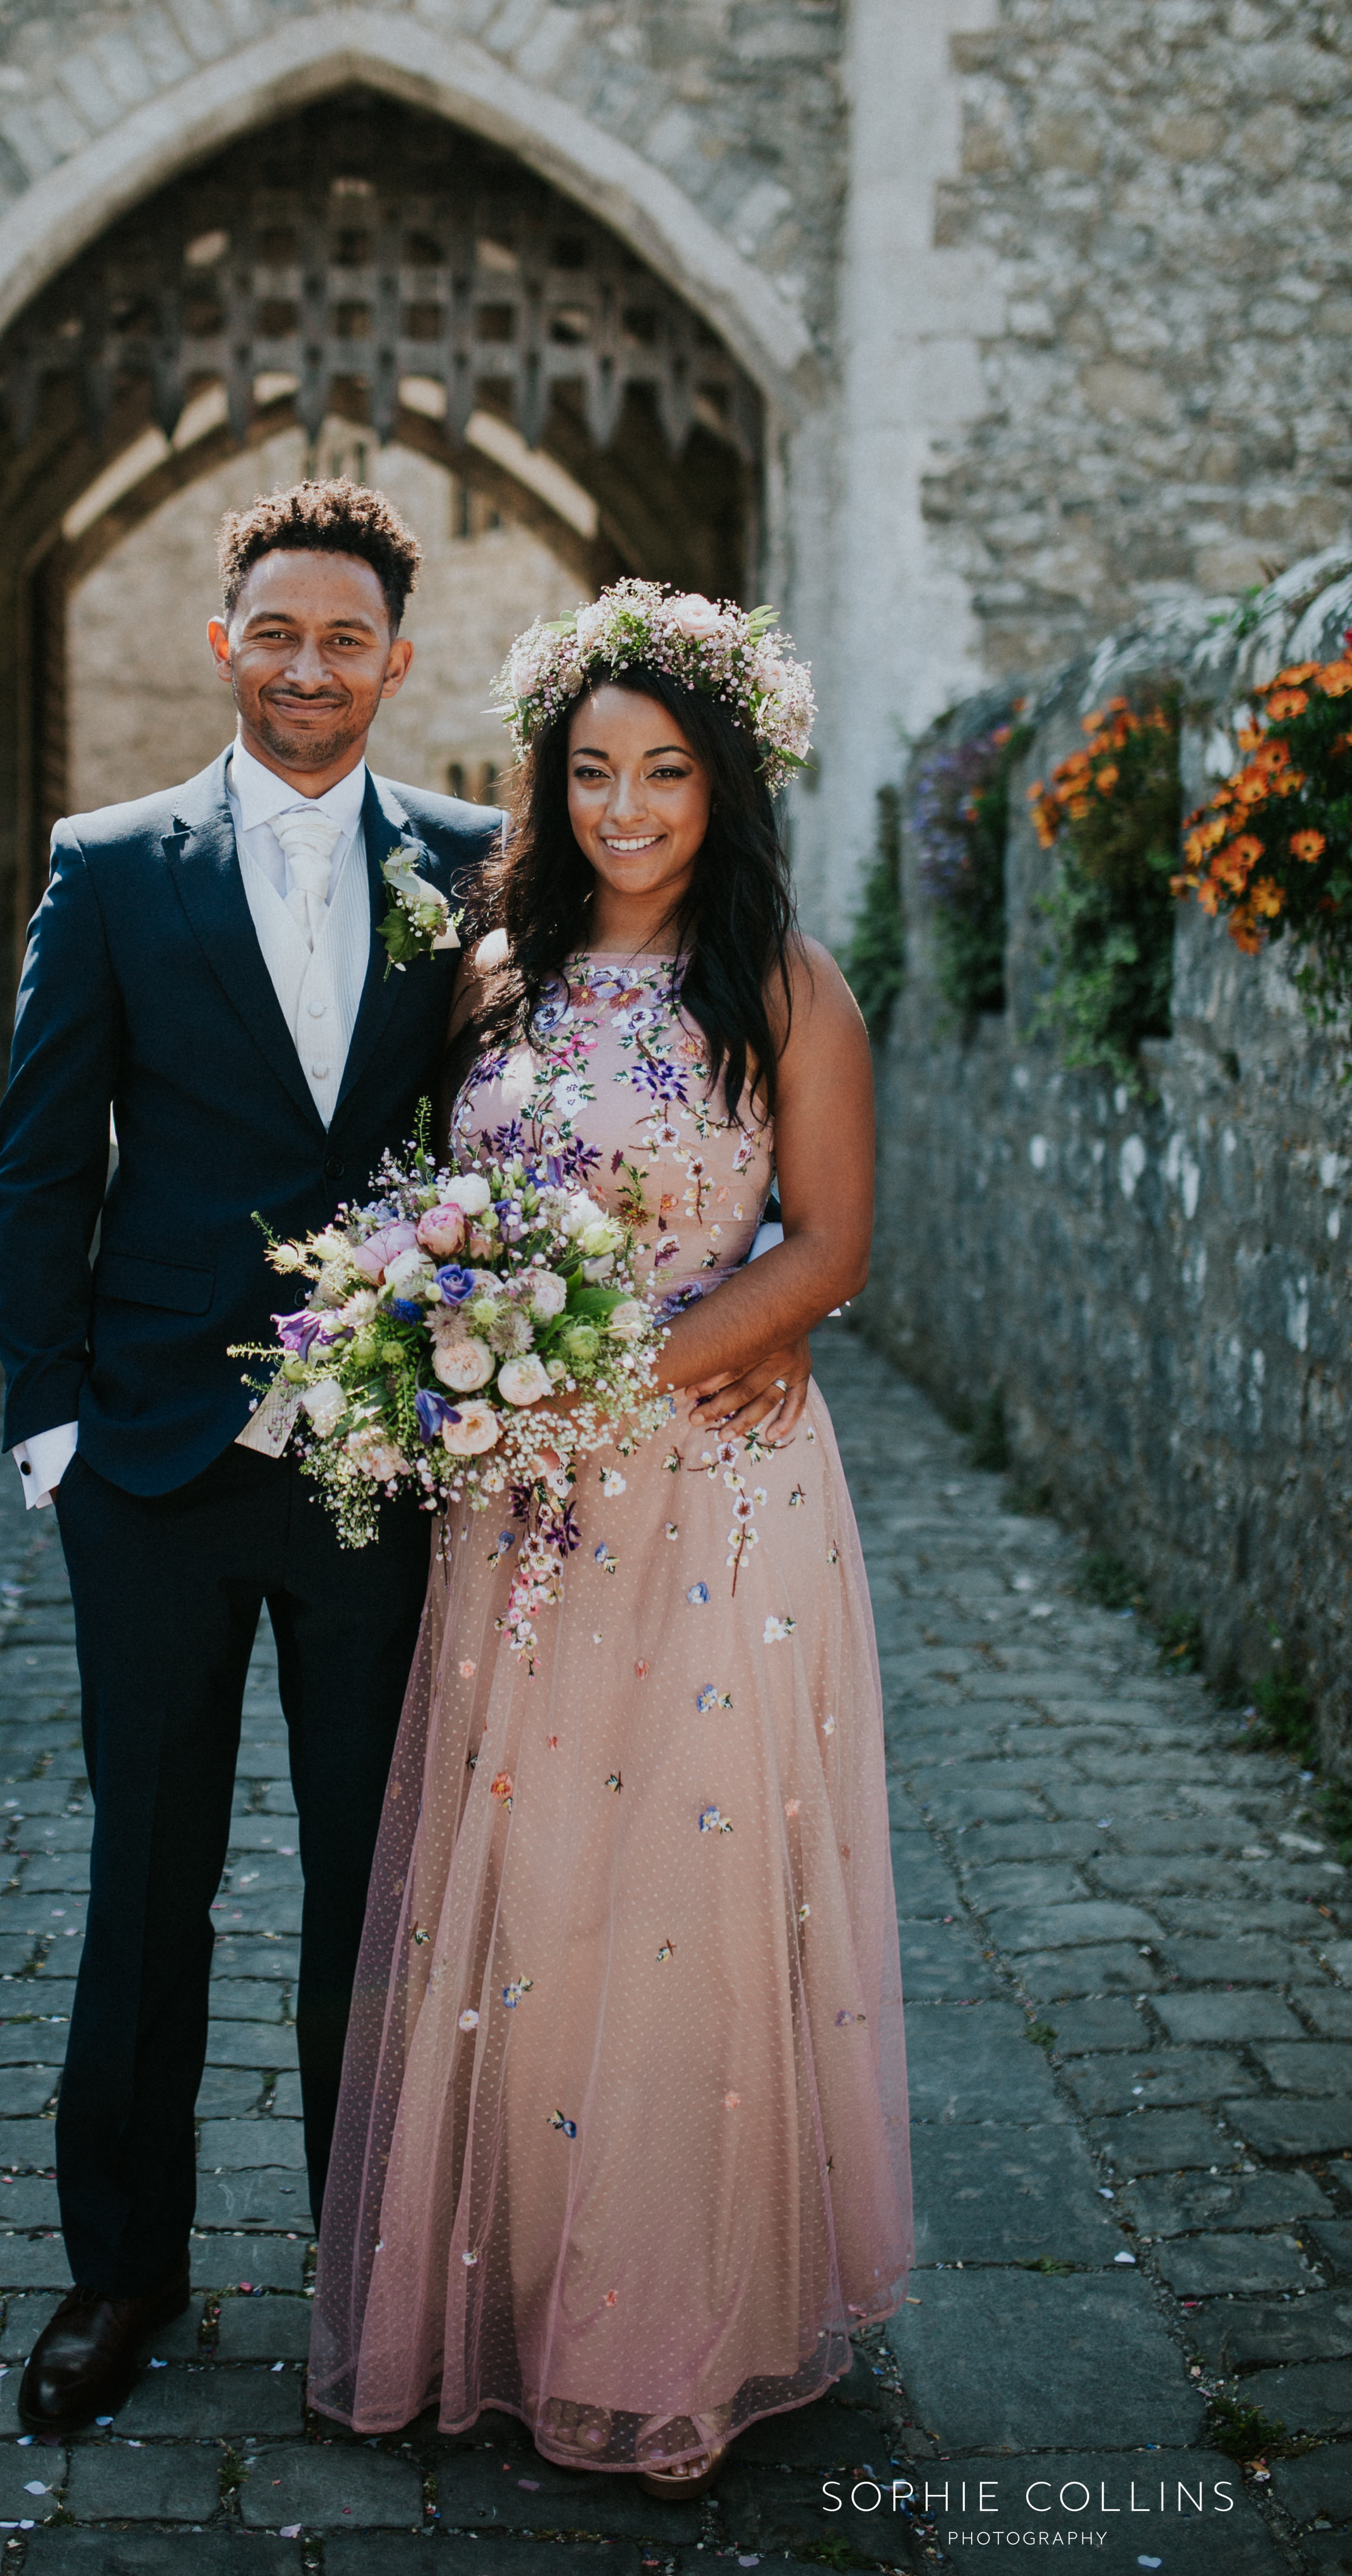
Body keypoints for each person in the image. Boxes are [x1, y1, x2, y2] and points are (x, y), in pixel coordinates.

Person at [307, 589, 912, 2493]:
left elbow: (830, 1245)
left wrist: (642, 1362)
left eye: (664, 773)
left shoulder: (796, 988)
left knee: (689, 1896)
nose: (628, 809)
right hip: (526, 1513)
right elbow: (449, 1205)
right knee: (539, 1888)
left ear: (723, 786)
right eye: (593, 773)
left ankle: (678, 2318)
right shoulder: (493, 973)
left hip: (715, 1494)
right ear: (548, 787)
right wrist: (448, 1336)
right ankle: (520, 2294)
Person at [0, 479, 520, 2430]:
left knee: (370, 1892)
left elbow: (510, 1151)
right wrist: (49, 1426)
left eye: (348, 640)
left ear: (397, 659)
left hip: (381, 1461)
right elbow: (45, 1161)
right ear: (229, 644)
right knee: (151, 1875)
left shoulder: (474, 866)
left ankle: (363, 2280)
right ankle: (118, 2279)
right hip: (148, 1466)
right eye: (277, 634)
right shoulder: (110, 863)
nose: (311, 669)